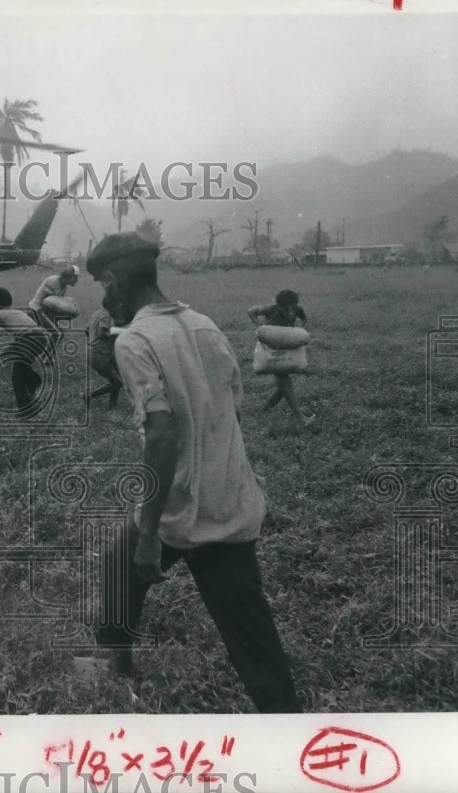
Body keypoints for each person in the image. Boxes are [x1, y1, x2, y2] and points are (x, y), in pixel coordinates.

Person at [87, 232, 301, 714]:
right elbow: (232, 414)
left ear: (117, 279)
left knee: (130, 563)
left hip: (177, 509)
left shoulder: (135, 340)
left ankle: (284, 723)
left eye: (103, 281)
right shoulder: (205, 325)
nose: (103, 294)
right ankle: (121, 668)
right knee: (247, 630)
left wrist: (148, 535)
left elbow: (161, 436)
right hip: (229, 501)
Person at [0, 287, 52, 418]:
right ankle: (34, 379)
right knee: (13, 358)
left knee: (17, 377)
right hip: (41, 337)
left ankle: (26, 409)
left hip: (29, 340)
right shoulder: (16, 311)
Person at [247, 289, 313, 425]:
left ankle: (264, 410)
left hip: (288, 350)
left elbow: (303, 317)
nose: (290, 310)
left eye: (292, 306)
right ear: (279, 305)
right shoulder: (271, 309)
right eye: (285, 307)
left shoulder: (298, 309)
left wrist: (300, 329)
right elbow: (251, 311)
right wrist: (259, 326)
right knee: (285, 381)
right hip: (272, 352)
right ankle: (300, 418)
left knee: (283, 386)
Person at [84, 296, 125, 409]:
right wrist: (117, 334)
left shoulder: (96, 313)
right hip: (99, 354)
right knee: (117, 382)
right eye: (118, 305)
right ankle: (88, 396)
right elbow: (101, 334)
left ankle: (112, 407)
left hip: (96, 352)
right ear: (112, 306)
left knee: (117, 379)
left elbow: (87, 330)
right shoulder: (106, 315)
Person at [29, 265, 80, 331]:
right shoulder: (53, 281)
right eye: (75, 278)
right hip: (37, 310)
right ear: (69, 276)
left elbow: (55, 304)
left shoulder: (64, 288)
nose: (76, 280)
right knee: (57, 333)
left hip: (45, 312)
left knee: (60, 332)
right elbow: (45, 303)